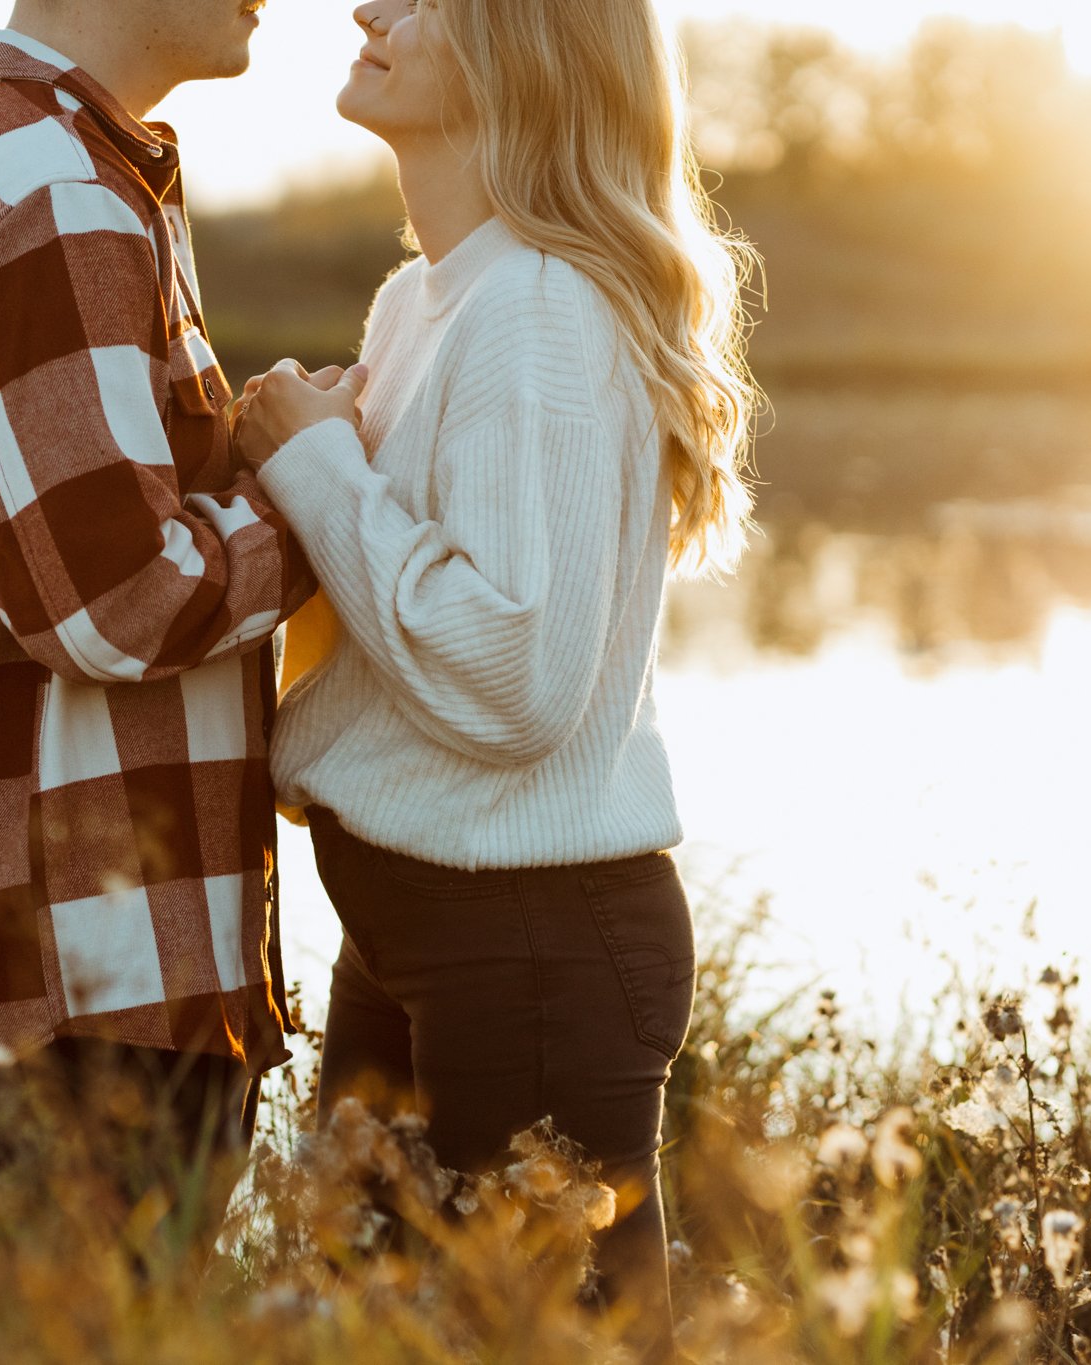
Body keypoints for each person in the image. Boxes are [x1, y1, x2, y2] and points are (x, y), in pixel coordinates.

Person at [234, 0, 759, 1350]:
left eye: (420, 0)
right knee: (353, 1328)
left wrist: (317, 467)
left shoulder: (537, 312)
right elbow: (397, 610)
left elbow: (516, 675)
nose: (365, 7)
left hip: (529, 948)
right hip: (428, 923)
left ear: (518, 54)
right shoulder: (429, 298)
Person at [0, 0, 320, 1263]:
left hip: (69, 968)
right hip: (89, 972)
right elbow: (117, 603)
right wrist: (321, 486)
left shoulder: (36, 159)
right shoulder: (48, 190)